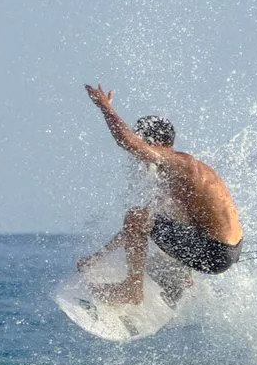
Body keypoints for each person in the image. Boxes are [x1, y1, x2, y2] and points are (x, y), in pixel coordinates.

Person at [77, 83, 244, 306]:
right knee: (153, 248)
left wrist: (105, 107)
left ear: (153, 144)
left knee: (136, 215)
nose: (138, 156)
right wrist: (98, 258)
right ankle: (179, 278)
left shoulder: (180, 165)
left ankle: (132, 290)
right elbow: (139, 227)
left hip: (214, 252)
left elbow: (126, 141)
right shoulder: (180, 175)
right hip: (227, 250)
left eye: (141, 143)